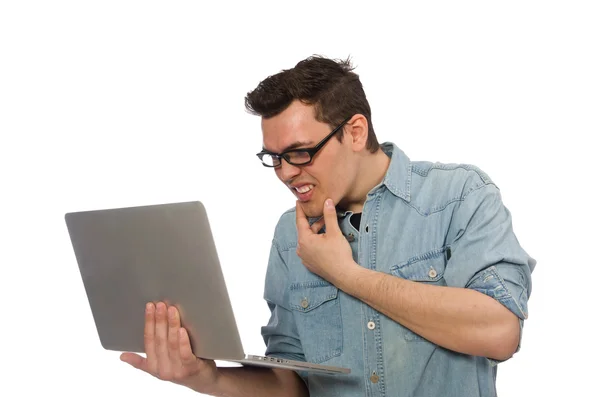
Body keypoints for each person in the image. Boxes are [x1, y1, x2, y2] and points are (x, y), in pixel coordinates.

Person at [120, 55, 536, 397]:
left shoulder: (458, 196)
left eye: (300, 153)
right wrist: (204, 377)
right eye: (274, 157)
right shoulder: (290, 236)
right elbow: (292, 383)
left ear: (355, 132)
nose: (285, 173)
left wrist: (345, 274)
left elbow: (500, 330)